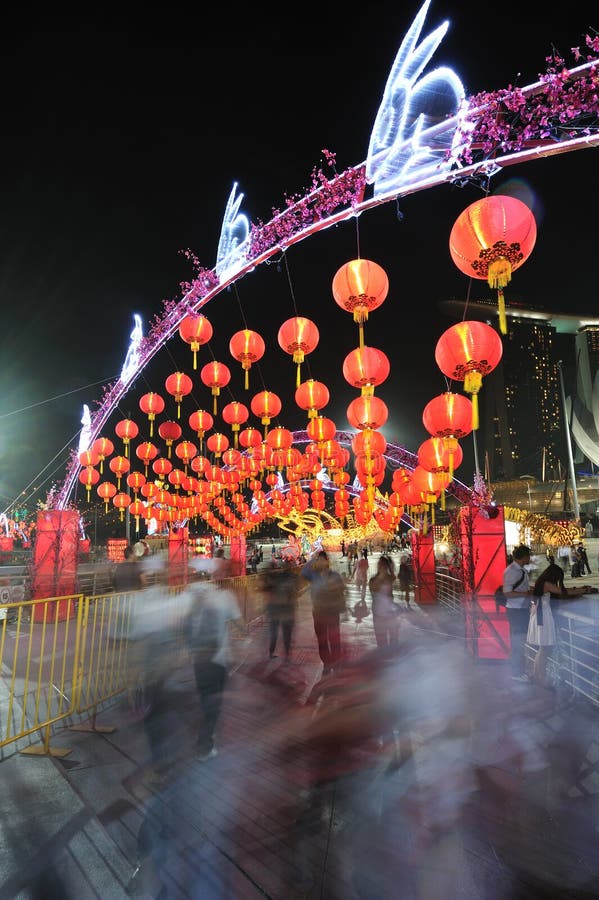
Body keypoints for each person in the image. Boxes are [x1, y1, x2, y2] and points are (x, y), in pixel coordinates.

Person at [185, 560, 244, 761]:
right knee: (214, 703)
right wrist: (246, 636)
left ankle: (206, 733)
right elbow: (240, 623)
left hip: (198, 658)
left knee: (206, 699)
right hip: (217, 658)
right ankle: (204, 745)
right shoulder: (225, 597)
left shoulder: (191, 595)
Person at [301, 550, 347, 675]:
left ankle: (336, 663)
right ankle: (327, 663)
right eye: (319, 560)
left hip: (332, 612)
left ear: (327, 561)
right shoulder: (313, 575)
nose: (321, 562)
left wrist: (334, 588)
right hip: (319, 612)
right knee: (322, 640)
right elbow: (303, 572)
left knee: (334, 639)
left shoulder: (334, 575)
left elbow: (341, 589)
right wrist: (313, 559)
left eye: (323, 559)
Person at [528, 562, 564, 686]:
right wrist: (584, 589)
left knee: (542, 648)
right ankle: (541, 677)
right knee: (545, 648)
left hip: (538, 615)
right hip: (543, 616)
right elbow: (563, 592)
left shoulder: (540, 581)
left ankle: (536, 675)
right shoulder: (547, 584)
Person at [502, 544, 533, 682]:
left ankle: (520, 670)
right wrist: (525, 593)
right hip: (516, 611)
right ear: (524, 557)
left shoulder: (520, 570)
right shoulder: (512, 571)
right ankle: (517, 672)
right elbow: (507, 592)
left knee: (520, 640)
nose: (530, 558)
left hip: (521, 609)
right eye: (529, 555)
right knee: (518, 641)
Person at [261, 558, 298, 661]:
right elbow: (294, 592)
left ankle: (272, 652)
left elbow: (267, 586)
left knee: (275, 632)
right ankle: (286, 654)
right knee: (286, 633)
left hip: (277, 608)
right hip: (286, 609)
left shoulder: (277, 576)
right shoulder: (292, 577)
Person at [369, 555, 400, 651]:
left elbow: (393, 574)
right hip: (378, 613)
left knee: (393, 638)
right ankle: (384, 657)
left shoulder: (389, 578)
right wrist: (381, 577)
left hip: (389, 612)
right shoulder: (373, 580)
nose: (381, 567)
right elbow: (373, 589)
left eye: (382, 565)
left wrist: (389, 564)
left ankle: (391, 657)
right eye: (379, 565)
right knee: (381, 640)